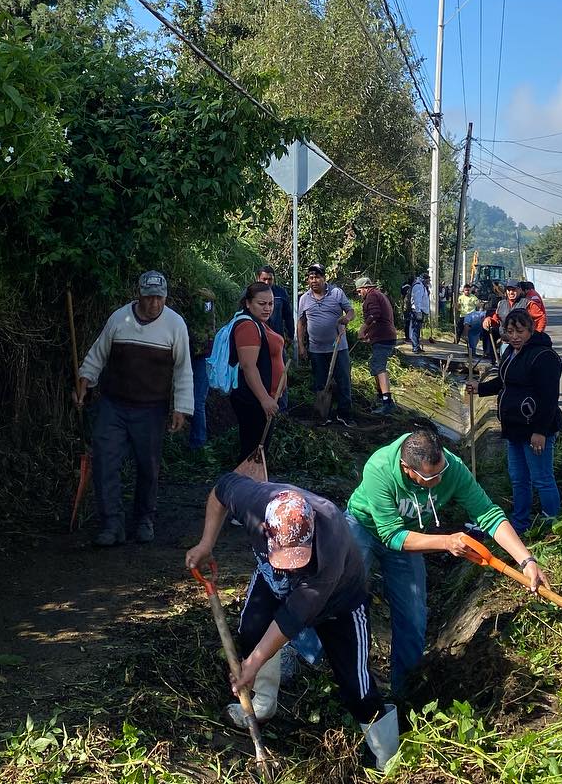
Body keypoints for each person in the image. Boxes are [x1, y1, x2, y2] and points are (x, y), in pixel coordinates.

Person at [184, 476, 400, 769]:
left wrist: (253, 663)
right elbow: (220, 490)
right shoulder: (253, 500)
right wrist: (206, 543)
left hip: (340, 602)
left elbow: (292, 619)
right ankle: (262, 706)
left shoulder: (331, 541)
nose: (293, 566)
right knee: (251, 631)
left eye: (299, 557)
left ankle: (388, 759)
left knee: (356, 686)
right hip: (271, 581)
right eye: (286, 558)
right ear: (266, 531)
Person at [345, 428, 548, 693]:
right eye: (432, 477)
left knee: (414, 615)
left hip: (411, 537)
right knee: (338, 594)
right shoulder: (380, 468)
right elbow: (391, 536)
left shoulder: (452, 468)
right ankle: (318, 665)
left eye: (441, 471)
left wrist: (526, 560)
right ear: (408, 469)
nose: (440, 480)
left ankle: (403, 692)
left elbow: (488, 514)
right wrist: (446, 542)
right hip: (364, 527)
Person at [75, 271, 193, 546]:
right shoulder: (119, 319)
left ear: (165, 297)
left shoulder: (175, 325)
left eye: (159, 298)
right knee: (105, 461)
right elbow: (97, 354)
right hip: (113, 404)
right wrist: (85, 380)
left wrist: (181, 408)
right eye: (149, 297)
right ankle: (111, 524)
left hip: (151, 408)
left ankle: (143, 519)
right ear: (138, 294)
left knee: (147, 466)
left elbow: (183, 370)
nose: (154, 303)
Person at [468, 310, 562, 534]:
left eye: (520, 331)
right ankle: (520, 524)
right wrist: (479, 388)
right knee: (519, 479)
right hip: (514, 428)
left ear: (531, 330)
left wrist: (540, 432)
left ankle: (553, 526)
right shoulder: (511, 352)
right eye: (510, 331)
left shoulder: (544, 357)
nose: (515, 336)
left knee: (542, 479)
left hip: (536, 430)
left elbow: (550, 398)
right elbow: (503, 382)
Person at [229, 282, 285, 464]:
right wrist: (264, 399)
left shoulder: (259, 323)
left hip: (263, 399)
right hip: (253, 400)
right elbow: (248, 366)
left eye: (270, 304)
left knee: (257, 452)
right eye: (262, 304)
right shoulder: (248, 326)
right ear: (247, 303)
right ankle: (242, 488)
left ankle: (249, 487)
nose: (267, 308)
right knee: (252, 453)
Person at [297, 264, 353, 424]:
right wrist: (301, 346)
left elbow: (351, 311)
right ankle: (323, 415)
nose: (314, 280)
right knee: (320, 382)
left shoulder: (336, 293)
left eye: (317, 277)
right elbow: (301, 323)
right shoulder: (304, 298)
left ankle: (344, 414)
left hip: (338, 347)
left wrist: (347, 318)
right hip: (316, 349)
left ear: (324, 278)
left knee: (343, 380)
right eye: (311, 277)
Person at [355, 276, 398, 415]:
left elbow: (374, 315)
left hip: (384, 337)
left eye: (359, 291)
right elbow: (379, 318)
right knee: (374, 364)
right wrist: (370, 334)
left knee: (379, 367)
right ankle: (381, 398)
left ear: (366, 288)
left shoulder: (372, 296)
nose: (358, 294)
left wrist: (363, 329)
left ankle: (387, 402)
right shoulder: (378, 295)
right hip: (384, 336)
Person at [255, 265, 295, 411]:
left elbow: (288, 316)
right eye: (264, 279)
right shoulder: (250, 294)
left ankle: (282, 411)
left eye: (270, 279)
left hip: (277, 341)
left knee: (281, 375)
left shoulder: (280, 293)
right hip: (256, 342)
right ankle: (261, 406)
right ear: (257, 278)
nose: (267, 282)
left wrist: (291, 334)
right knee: (259, 374)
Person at [186, 287, 217, 449]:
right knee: (197, 401)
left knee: (197, 401)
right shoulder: (207, 304)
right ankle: (197, 443)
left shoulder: (204, 302)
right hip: (200, 355)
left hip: (202, 356)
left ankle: (198, 444)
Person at [409, 273, 431, 353]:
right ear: (423, 279)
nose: (428, 282)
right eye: (427, 280)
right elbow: (417, 300)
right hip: (417, 311)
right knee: (415, 329)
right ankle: (415, 347)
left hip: (420, 311)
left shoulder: (423, 286)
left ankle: (417, 346)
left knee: (417, 330)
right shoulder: (418, 286)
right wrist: (418, 312)